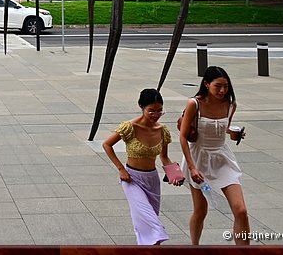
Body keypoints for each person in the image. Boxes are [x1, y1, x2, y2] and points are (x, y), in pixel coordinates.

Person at [180, 66, 250, 245]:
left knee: (240, 210)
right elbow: (182, 137)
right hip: (198, 158)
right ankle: (194, 246)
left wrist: (234, 134)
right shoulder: (194, 104)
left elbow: (224, 128)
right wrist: (192, 167)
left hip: (222, 157)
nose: (222, 90)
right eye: (218, 86)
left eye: (226, 86)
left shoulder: (230, 104)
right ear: (206, 84)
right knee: (201, 211)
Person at [103, 88, 182, 245]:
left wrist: (175, 174)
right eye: (151, 111)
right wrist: (121, 169)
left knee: (148, 222)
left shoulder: (163, 130)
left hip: (152, 179)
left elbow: (164, 157)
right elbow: (107, 145)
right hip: (132, 179)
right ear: (141, 107)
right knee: (151, 221)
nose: (156, 115)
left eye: (160, 111)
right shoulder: (130, 127)